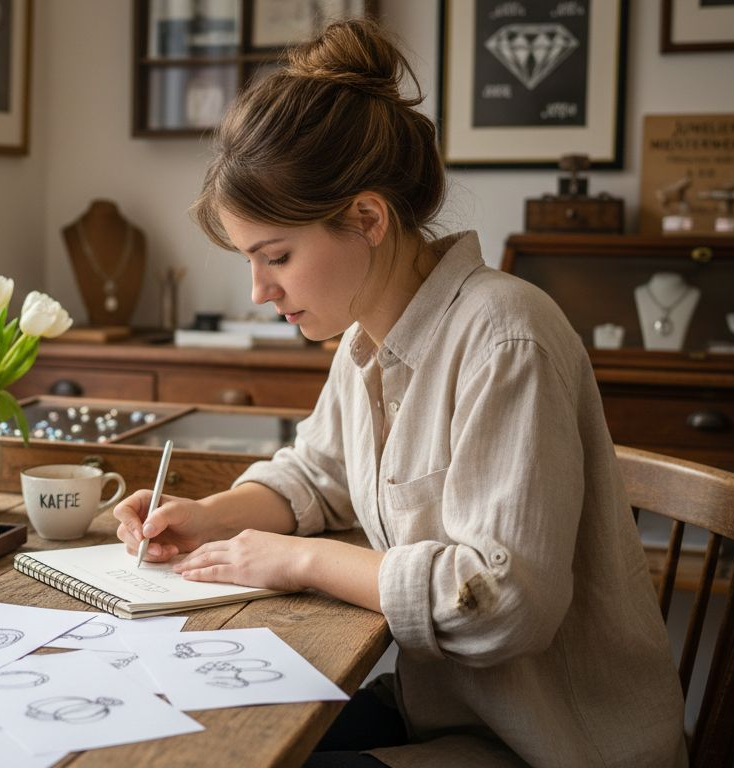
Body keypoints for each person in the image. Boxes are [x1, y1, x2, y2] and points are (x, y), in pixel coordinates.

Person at [113, 20, 686, 767]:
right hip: (445, 712)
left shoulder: (506, 337)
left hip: (552, 745)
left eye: (276, 256)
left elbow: (501, 602)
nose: (259, 291)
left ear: (366, 217)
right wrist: (208, 519)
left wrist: (296, 561)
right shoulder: (362, 340)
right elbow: (316, 476)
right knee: (205, 740)